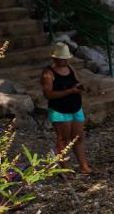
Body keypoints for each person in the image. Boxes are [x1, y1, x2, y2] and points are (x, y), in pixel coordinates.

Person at [40, 42, 95, 175]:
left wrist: (81, 87)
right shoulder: (48, 73)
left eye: (66, 58)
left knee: (78, 138)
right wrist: (70, 91)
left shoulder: (70, 67)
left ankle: (84, 166)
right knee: (63, 139)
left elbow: (76, 81)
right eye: (62, 58)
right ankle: (64, 169)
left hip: (75, 108)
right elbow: (48, 94)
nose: (65, 61)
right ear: (55, 58)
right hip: (59, 111)